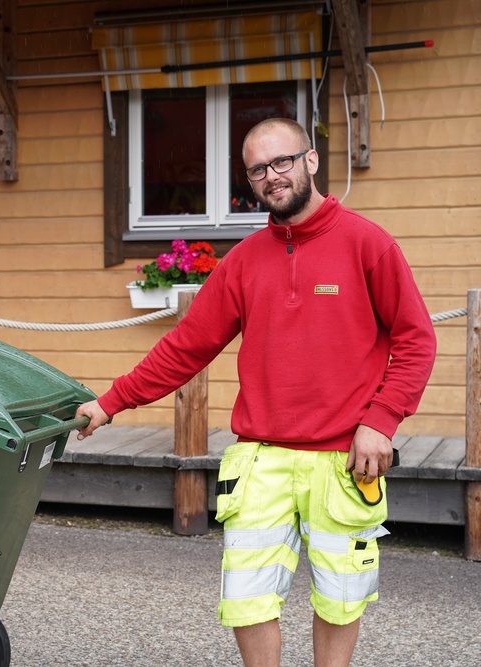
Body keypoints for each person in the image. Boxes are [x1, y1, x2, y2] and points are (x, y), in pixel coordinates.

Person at [75, 117, 437, 667]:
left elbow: (416, 339)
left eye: (282, 161)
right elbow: (185, 349)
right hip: (260, 459)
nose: (272, 176)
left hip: (343, 460)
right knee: (246, 601)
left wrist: (380, 420)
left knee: (341, 600)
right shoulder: (242, 262)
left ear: (310, 160)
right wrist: (109, 402)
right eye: (258, 170)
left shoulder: (368, 244)